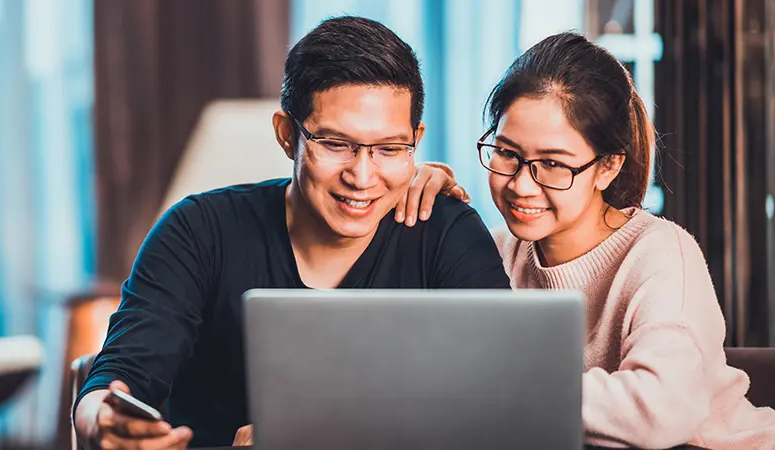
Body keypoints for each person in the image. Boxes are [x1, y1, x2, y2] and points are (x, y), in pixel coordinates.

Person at [73, 16, 510, 449]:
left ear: (416, 139)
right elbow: (119, 375)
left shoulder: (446, 232)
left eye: (389, 149)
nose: (362, 177)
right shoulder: (197, 230)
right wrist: (102, 420)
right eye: (335, 144)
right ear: (287, 135)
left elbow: (502, 392)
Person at [412, 32, 775, 449]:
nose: (521, 185)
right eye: (507, 154)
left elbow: (661, 411)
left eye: (552, 163)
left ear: (607, 168)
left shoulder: (659, 252)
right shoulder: (495, 253)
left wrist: (497, 387)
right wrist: (410, 200)